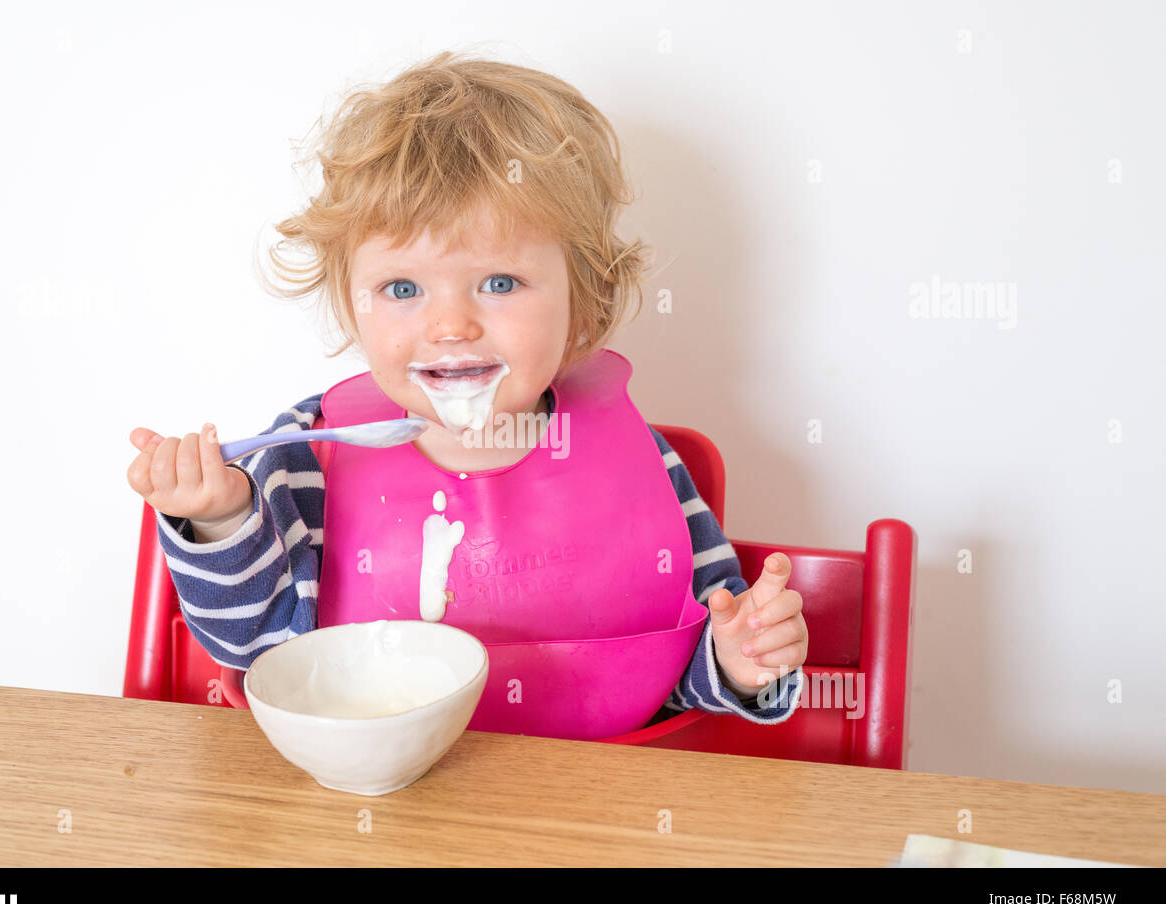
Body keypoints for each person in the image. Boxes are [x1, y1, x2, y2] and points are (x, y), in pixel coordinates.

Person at [126, 51, 807, 738]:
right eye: (403, 289)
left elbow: (681, 663)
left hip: (586, 810)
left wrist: (740, 656)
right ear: (352, 307)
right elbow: (258, 651)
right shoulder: (314, 458)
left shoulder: (640, 461)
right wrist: (219, 523)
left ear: (588, 302)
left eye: (500, 282)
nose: (450, 325)